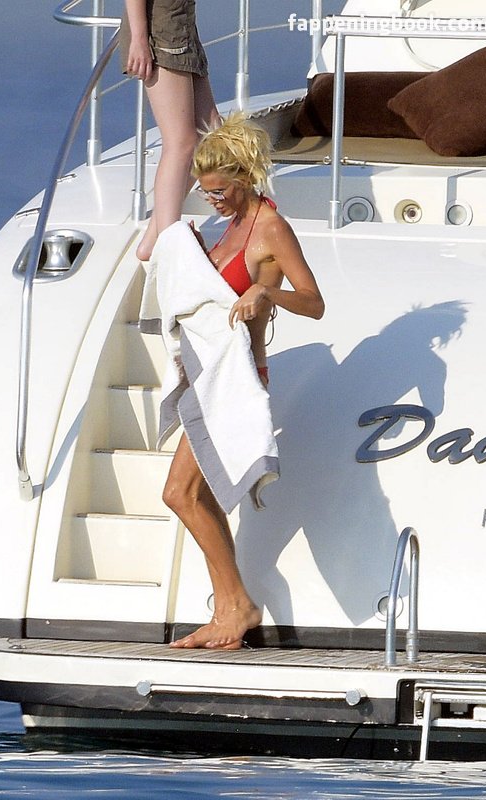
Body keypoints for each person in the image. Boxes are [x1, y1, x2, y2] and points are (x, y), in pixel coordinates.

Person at [162, 113, 325, 650]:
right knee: (194, 494)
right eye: (205, 191)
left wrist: (266, 293)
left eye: (220, 190)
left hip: (237, 377)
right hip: (208, 374)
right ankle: (229, 607)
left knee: (180, 493)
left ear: (245, 177)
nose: (212, 200)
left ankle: (237, 607)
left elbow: (314, 303)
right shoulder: (230, 225)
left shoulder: (270, 227)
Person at [121, 0, 220, 261]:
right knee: (181, 143)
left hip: (182, 24)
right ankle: (168, 246)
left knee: (211, 138)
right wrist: (139, 39)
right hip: (161, 30)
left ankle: (152, 241)